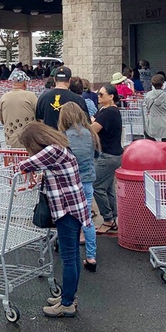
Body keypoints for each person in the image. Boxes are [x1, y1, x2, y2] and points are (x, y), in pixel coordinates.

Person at [17, 123, 90, 318]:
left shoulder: (52, 151)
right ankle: (68, 297)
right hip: (74, 208)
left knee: (69, 258)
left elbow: (23, 165)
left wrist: (27, 168)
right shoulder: (59, 148)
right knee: (73, 256)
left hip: (66, 211)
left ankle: (67, 304)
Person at [58, 102, 100, 273]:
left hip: (69, 184)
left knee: (68, 220)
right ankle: (91, 257)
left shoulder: (62, 137)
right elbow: (96, 155)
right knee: (87, 220)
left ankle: (71, 255)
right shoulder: (91, 134)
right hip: (87, 181)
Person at [91, 84, 124, 235]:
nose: (98, 97)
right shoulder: (105, 110)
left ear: (111, 96)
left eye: (101, 95)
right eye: (98, 94)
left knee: (96, 186)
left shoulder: (110, 112)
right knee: (108, 187)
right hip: (111, 154)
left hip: (109, 155)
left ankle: (108, 219)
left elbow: (93, 129)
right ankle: (112, 218)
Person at [0, 70, 37, 148]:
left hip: (11, 140)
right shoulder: (31, 96)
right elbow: (39, 115)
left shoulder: (4, 97)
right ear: (25, 83)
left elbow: (2, 119)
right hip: (29, 140)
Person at [144, 74, 166, 143]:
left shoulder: (148, 95)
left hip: (153, 122)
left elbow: (147, 108)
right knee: (165, 143)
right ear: (163, 84)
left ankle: (156, 146)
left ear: (152, 84)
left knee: (148, 136)